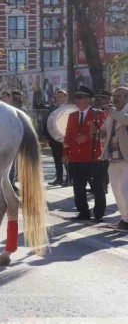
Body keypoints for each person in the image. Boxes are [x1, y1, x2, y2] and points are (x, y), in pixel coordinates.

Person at [63, 86, 106, 222]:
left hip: (94, 157)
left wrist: (86, 137)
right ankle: (83, 212)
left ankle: (98, 213)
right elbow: (68, 135)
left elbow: (101, 134)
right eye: (76, 97)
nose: (77, 100)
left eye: (81, 97)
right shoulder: (72, 116)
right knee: (78, 186)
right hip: (76, 157)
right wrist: (65, 153)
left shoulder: (98, 114)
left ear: (89, 100)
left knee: (98, 186)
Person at [102, 87, 128, 231]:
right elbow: (105, 130)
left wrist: (112, 113)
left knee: (126, 190)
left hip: (126, 158)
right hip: (113, 158)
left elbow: (126, 120)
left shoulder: (118, 113)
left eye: (118, 96)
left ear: (126, 97)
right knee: (117, 190)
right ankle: (124, 219)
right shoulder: (112, 114)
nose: (115, 98)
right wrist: (97, 132)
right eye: (114, 96)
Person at [43, 89, 69, 186]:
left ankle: (69, 178)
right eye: (57, 97)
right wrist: (46, 136)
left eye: (61, 96)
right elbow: (47, 123)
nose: (59, 98)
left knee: (66, 159)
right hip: (54, 139)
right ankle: (59, 178)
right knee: (57, 159)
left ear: (66, 97)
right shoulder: (52, 109)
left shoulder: (68, 109)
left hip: (65, 139)